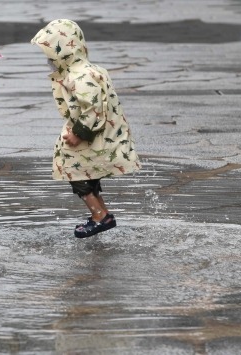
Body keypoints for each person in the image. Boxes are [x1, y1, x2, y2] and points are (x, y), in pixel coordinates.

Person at [31, 19, 141, 238]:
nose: (48, 59)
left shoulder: (79, 76)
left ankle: (101, 215)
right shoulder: (88, 70)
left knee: (72, 168)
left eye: (51, 53)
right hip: (101, 134)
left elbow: (93, 109)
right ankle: (101, 212)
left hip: (93, 135)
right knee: (86, 172)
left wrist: (78, 134)